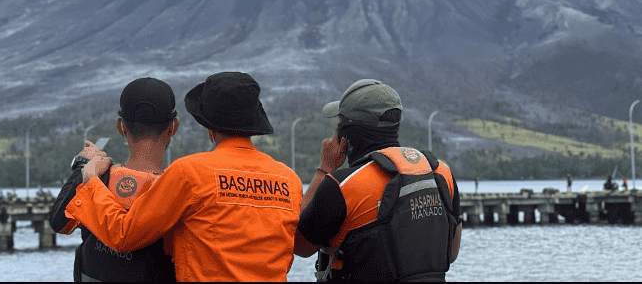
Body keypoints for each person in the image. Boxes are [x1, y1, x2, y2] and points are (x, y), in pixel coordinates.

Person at [65, 72, 303, 281]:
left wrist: (91, 181)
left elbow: (123, 235)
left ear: (209, 128)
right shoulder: (289, 180)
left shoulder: (190, 172)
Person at [294, 79, 462, 282]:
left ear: (345, 132)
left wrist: (324, 169)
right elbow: (451, 253)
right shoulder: (441, 173)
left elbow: (299, 245)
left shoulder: (342, 185)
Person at [49, 77, 179, 282]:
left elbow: (59, 221)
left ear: (121, 127)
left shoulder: (101, 178)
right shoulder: (178, 189)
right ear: (173, 127)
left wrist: (83, 168)